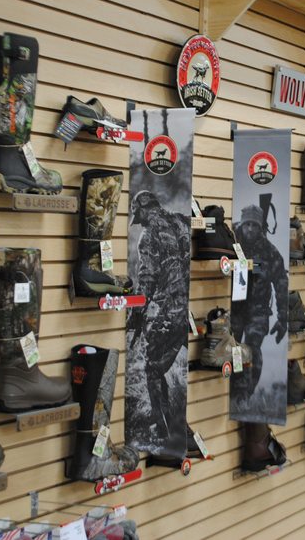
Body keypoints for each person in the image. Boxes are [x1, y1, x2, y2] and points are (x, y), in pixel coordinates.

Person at [126, 190, 190, 445]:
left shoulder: (148, 234)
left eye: (138, 215)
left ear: (143, 209)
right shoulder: (180, 221)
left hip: (171, 309)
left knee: (152, 366)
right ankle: (178, 421)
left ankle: (162, 428)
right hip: (189, 308)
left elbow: (147, 279)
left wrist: (136, 314)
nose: (139, 221)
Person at [231, 200, 287, 401]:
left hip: (258, 311)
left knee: (252, 348)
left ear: (260, 227)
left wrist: (283, 318)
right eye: (247, 224)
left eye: (255, 225)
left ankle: (244, 393)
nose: (250, 229)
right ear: (242, 224)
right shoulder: (231, 242)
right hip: (234, 308)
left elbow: (281, 283)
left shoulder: (270, 252)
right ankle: (235, 390)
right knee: (235, 350)